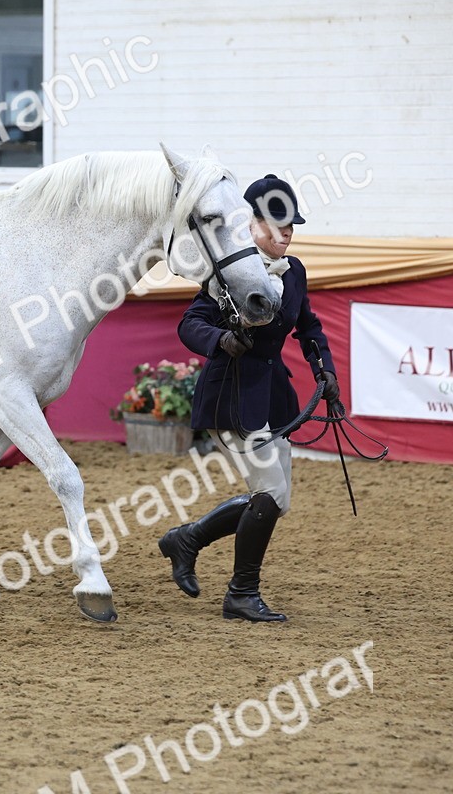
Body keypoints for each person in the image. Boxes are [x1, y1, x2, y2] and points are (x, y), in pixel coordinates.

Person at [157, 174, 340, 622]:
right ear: (251, 225)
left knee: (277, 500)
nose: (286, 234)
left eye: (291, 226)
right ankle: (241, 593)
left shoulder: (294, 271)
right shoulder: (233, 271)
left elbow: (309, 327)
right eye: (276, 226)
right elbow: (190, 324)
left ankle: (189, 538)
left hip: (273, 396)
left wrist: (326, 371)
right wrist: (222, 340)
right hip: (231, 395)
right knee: (270, 492)